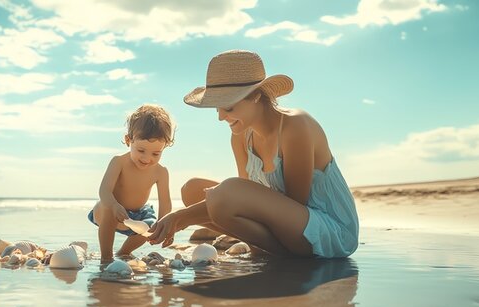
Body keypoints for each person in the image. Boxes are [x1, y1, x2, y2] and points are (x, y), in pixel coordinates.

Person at [148, 50, 359, 258]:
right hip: (285, 225)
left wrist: (182, 217)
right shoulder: (240, 136)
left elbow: (295, 203)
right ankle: (264, 249)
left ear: (256, 96)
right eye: (217, 109)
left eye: (228, 108)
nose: (221, 117)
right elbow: (245, 196)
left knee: (224, 193)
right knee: (192, 190)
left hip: (327, 230)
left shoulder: (296, 126)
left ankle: (270, 251)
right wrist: (187, 216)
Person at [89, 104, 175, 262]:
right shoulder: (118, 162)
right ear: (128, 140)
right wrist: (114, 205)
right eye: (141, 150)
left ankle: (124, 252)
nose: (147, 158)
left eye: (156, 153)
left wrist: (166, 229)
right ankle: (106, 257)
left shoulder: (161, 172)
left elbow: (165, 204)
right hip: (110, 210)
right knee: (107, 209)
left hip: (137, 215)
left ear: (165, 147)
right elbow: (104, 191)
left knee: (151, 226)